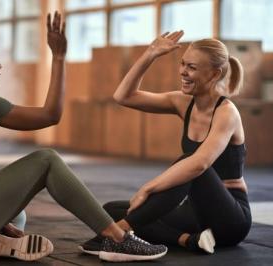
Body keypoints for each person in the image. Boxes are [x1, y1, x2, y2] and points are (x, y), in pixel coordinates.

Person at [0, 12, 167, 262]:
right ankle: (117, 238)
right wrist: (58, 56)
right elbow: (50, 115)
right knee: (46, 160)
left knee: (17, 214)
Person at [80, 31, 251, 255]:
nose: (183, 71)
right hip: (194, 214)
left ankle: (118, 234)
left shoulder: (227, 113)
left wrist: (147, 189)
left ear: (214, 73)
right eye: (182, 64)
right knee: (111, 210)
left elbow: (199, 164)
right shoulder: (182, 102)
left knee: (189, 164)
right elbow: (124, 96)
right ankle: (187, 240)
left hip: (230, 219)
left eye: (192, 67)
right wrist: (150, 54)